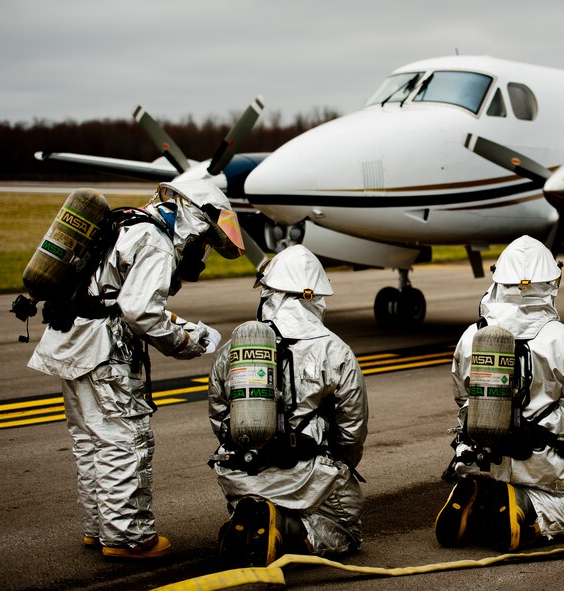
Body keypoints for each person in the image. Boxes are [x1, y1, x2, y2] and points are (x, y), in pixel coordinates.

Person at [28, 180, 246, 559]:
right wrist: (186, 343)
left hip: (72, 342)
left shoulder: (129, 224)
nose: (202, 251)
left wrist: (182, 325)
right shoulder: (156, 243)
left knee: (91, 442)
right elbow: (140, 312)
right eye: (205, 241)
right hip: (103, 353)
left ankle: (98, 529)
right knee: (124, 442)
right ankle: (129, 538)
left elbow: (117, 299)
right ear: (193, 221)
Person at [436, 235, 564, 553]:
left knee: (492, 485)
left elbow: (461, 395)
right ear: (551, 283)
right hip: (541, 460)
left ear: (498, 280)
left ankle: (481, 494)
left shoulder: (471, 336)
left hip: (478, 455)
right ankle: (524, 506)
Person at [208, 244, 368, 567]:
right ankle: (289, 529)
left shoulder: (234, 349)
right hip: (306, 479)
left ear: (270, 293)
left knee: (255, 505)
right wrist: (340, 465)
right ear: (313, 298)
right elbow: (353, 427)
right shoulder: (335, 350)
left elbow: (219, 417)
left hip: (242, 475)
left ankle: (250, 516)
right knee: (348, 529)